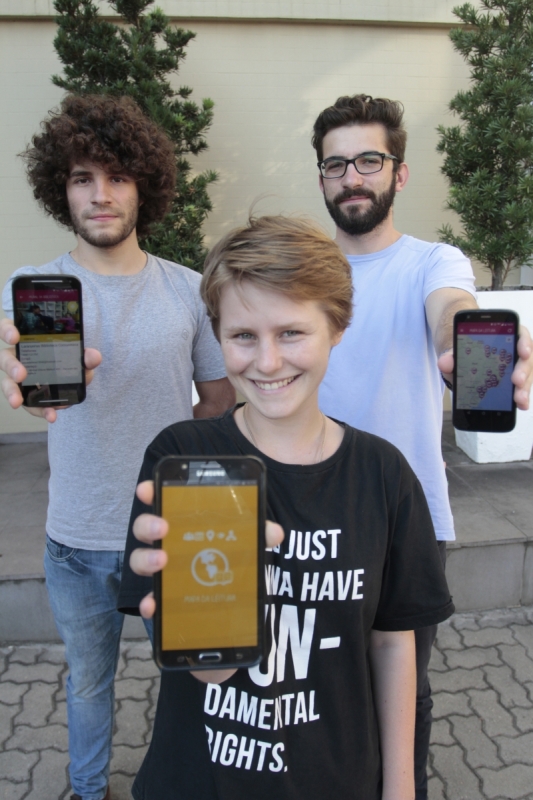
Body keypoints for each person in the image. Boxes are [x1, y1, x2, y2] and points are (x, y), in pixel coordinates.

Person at [118, 215, 454, 800]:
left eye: (291, 333)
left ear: (337, 328)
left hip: (338, 778)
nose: (267, 363)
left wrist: (400, 790)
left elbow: (394, 640)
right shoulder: (183, 457)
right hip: (202, 781)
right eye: (242, 336)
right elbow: (208, 669)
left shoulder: (383, 474)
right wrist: (195, 608)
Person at [0, 94, 235, 800]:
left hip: (169, 531)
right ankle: (87, 787)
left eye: (116, 177)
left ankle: (178, 784)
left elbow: (218, 398)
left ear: (144, 185)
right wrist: (18, 370)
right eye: (81, 178)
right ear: (59, 188)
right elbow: (17, 366)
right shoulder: (31, 290)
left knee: (185, 681)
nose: (99, 195)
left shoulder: (190, 291)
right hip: (73, 538)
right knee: (88, 681)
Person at [311, 94, 533, 799]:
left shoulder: (434, 261)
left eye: (368, 160)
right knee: (312, 683)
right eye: (335, 164)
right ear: (320, 177)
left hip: (408, 520)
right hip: (309, 513)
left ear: (397, 175)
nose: (352, 177)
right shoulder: (305, 269)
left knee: (405, 688)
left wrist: (463, 342)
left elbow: (451, 308)